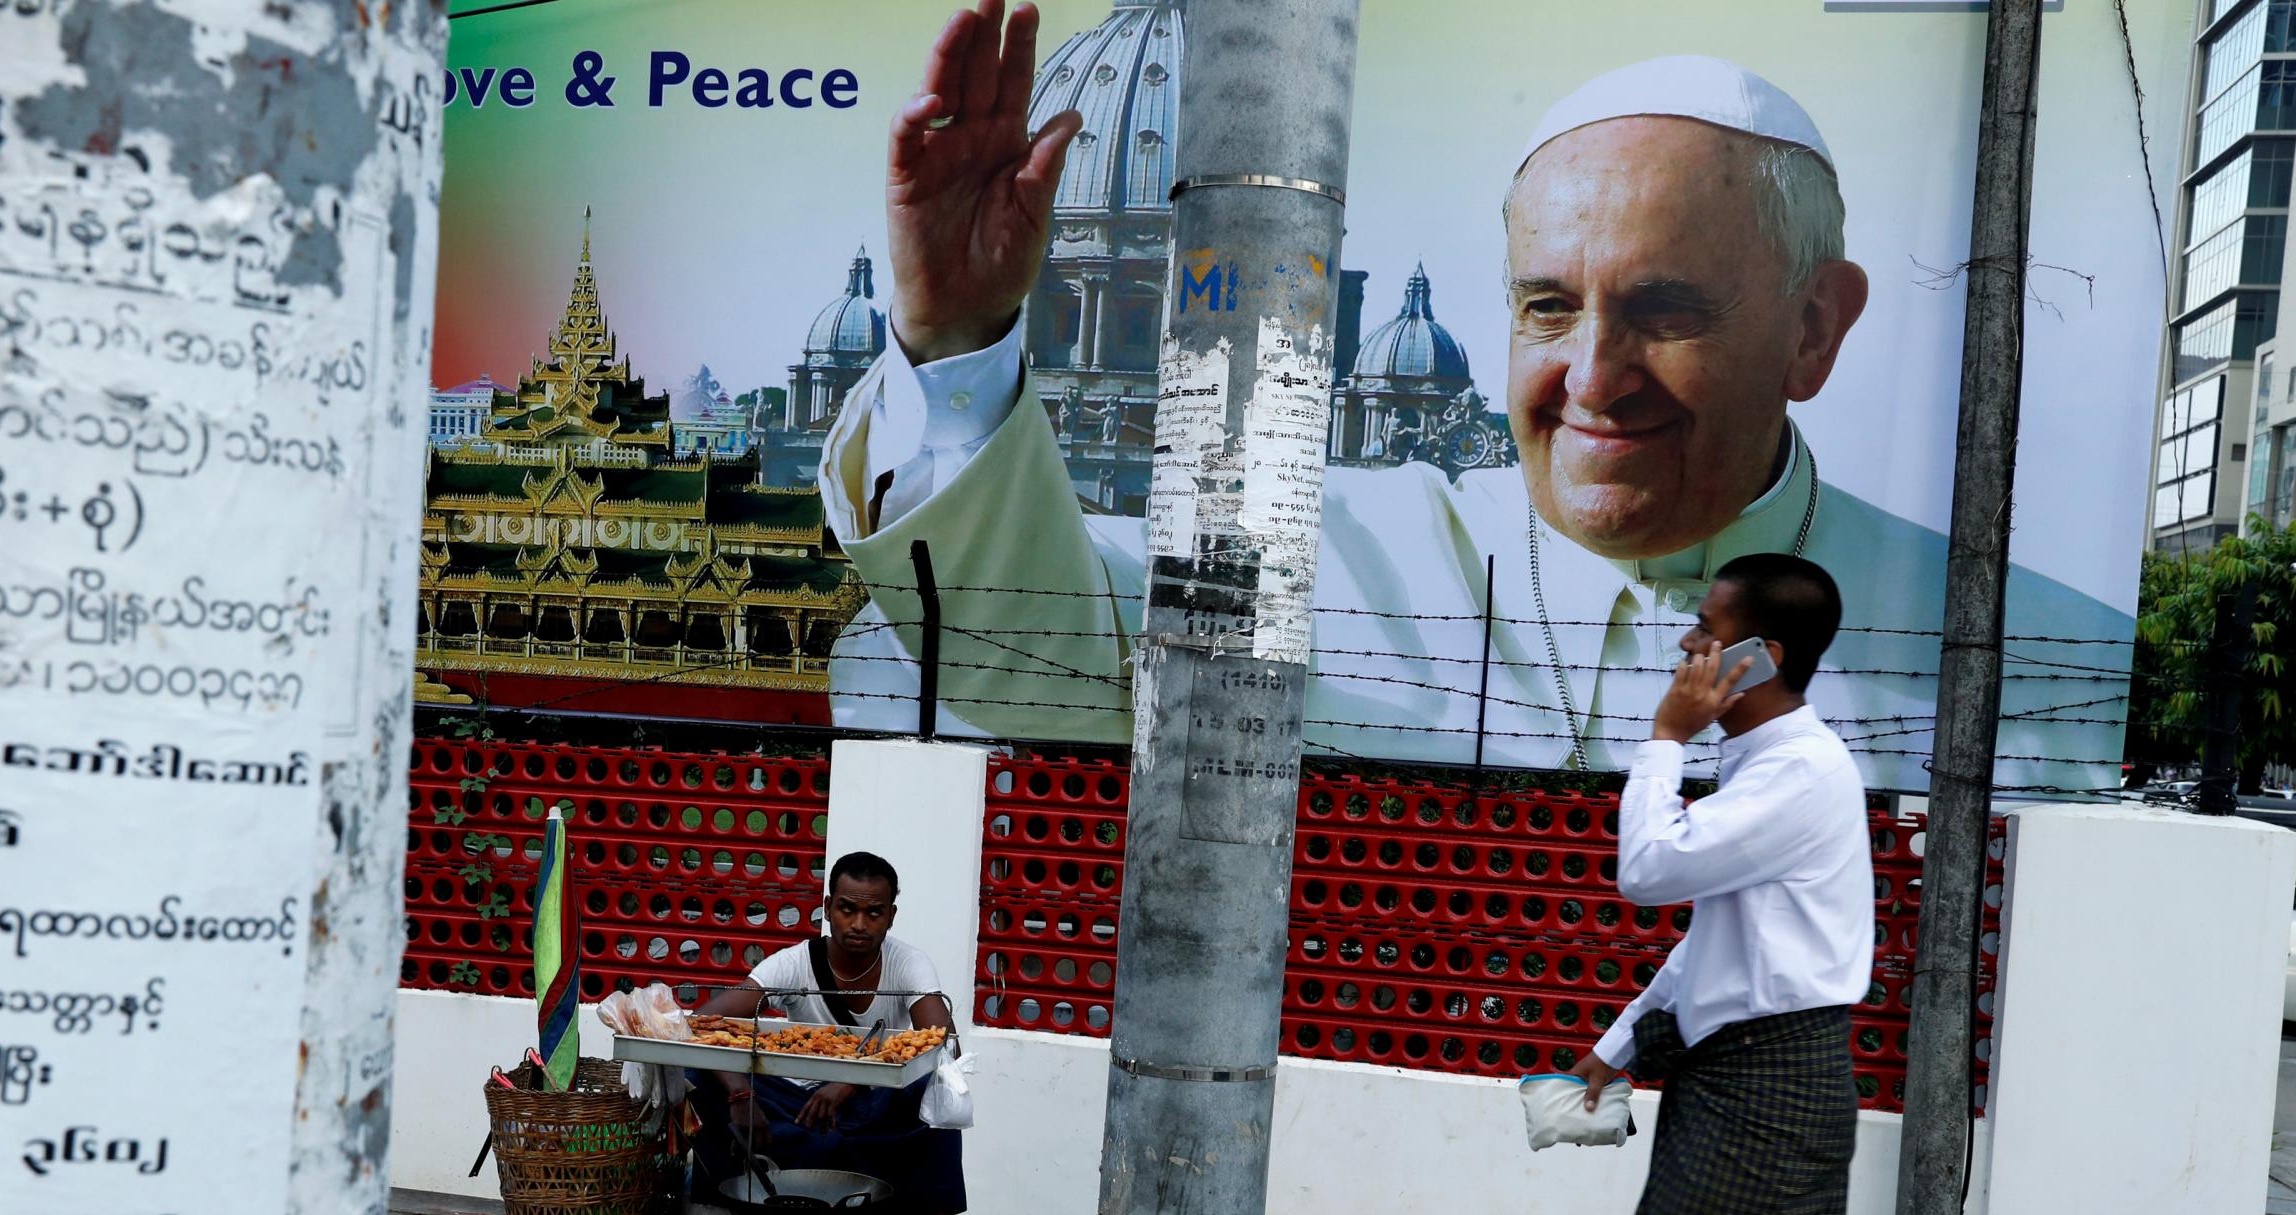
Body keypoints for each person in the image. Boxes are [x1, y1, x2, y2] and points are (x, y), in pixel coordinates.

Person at [815, 5, 2128, 788]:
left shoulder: (2020, 658)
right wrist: (959, 334)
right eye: (1549, 308)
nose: (1594, 378)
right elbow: (1038, 653)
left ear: (1813, 330)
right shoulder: (1330, 542)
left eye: (1669, 312)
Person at [1392, 552, 1914, 1215]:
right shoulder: (1773, 766)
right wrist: (1612, 1049)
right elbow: (1715, 940)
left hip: (1766, 1086)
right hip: (1762, 1072)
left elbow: (1649, 870)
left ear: (1759, 655)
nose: (1684, 648)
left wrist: (1664, 739)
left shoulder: (1796, 772)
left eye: (1704, 632)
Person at [690, 850, 963, 1215]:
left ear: (890, 916)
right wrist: (743, 1097)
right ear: (828, 908)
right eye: (847, 909)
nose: (859, 924)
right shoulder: (794, 962)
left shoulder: (907, 963)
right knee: (705, 1081)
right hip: (801, 1103)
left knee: (939, 1094)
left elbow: (943, 1040)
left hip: (875, 1102)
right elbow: (705, 1024)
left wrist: (852, 1081)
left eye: (873, 913)